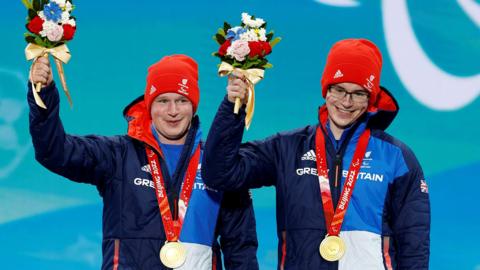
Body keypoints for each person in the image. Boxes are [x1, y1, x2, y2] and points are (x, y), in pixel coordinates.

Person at [202, 39, 430, 269]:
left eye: (358, 93)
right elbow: (220, 173)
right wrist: (233, 107)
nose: (346, 102)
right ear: (326, 89)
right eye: (339, 90)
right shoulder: (288, 148)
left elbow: (414, 242)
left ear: (370, 99)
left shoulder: (397, 157)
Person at [28, 54, 258, 270]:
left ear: (193, 106)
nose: (172, 111)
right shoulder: (117, 155)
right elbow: (55, 152)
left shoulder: (218, 164)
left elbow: (240, 245)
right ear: (149, 105)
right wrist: (44, 94)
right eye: (163, 101)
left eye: (181, 101)